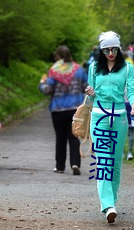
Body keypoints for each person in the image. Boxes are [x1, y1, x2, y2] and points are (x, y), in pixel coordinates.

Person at [85, 31, 134, 223]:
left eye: (114, 49)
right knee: (103, 162)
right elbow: (91, 97)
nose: (110, 53)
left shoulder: (127, 68)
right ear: (101, 50)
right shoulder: (93, 68)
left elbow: (131, 90)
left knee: (115, 163)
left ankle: (112, 202)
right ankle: (107, 205)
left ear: (119, 48)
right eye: (106, 50)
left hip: (120, 119)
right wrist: (90, 92)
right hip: (99, 117)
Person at [39, 45, 88, 175]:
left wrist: (42, 83)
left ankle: (60, 166)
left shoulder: (54, 71)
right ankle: (75, 163)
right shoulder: (79, 70)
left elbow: (47, 90)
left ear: (58, 57)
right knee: (74, 137)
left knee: (60, 138)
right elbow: (86, 87)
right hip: (75, 109)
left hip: (58, 109)